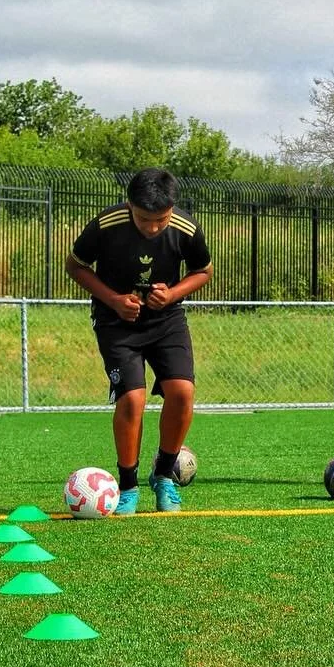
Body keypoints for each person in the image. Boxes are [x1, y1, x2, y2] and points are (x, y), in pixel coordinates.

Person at [66, 168, 211, 514]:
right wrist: (114, 299)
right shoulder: (106, 224)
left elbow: (203, 271)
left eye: (161, 220)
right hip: (117, 323)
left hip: (167, 320)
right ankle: (128, 485)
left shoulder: (186, 229)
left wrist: (172, 293)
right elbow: (75, 265)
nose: (153, 227)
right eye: (145, 219)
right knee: (132, 398)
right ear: (130, 205)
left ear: (172, 210)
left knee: (182, 392)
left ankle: (163, 476)